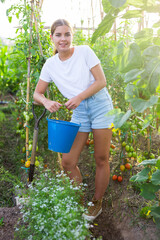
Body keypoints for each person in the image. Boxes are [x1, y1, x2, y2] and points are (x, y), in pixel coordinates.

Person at [33, 19, 114, 221]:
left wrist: (78, 97)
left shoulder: (85, 51)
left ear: (72, 36)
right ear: (52, 38)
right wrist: (45, 101)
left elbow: (101, 81)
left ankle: (97, 203)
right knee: (68, 161)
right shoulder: (50, 65)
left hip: (99, 105)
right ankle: (78, 204)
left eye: (67, 34)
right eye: (58, 35)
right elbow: (37, 94)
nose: (63, 39)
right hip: (79, 111)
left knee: (101, 158)